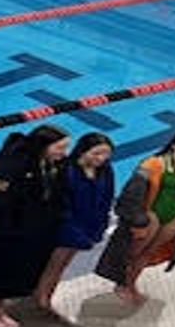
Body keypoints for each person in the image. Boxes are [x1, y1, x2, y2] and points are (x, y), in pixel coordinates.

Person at [0, 125, 71, 327]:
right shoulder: (13, 163)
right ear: (43, 146)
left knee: (13, 273)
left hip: (30, 230)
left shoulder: (51, 163)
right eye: (59, 148)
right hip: (4, 232)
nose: (64, 153)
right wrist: (9, 230)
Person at [95, 130, 175, 305]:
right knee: (134, 251)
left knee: (149, 252)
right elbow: (132, 196)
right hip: (151, 212)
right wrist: (137, 222)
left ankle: (132, 284)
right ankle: (122, 283)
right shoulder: (152, 166)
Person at [34, 133, 117, 314]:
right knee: (53, 266)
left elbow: (107, 199)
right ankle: (42, 299)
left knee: (62, 266)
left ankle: (45, 297)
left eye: (105, 154)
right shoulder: (66, 172)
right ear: (83, 151)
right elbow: (61, 206)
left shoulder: (105, 170)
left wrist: (100, 225)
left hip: (87, 226)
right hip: (65, 229)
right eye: (96, 154)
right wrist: (74, 232)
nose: (101, 159)